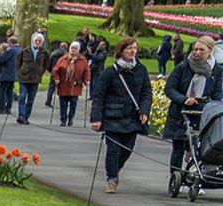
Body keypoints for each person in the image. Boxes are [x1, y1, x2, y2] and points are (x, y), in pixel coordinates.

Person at [90, 37, 153, 193]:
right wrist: (96, 118)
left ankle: (115, 169)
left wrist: (145, 110)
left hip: (132, 117)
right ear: (121, 51)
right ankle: (112, 179)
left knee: (127, 149)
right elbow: (99, 95)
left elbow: (146, 92)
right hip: (113, 116)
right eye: (129, 48)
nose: (133, 51)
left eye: (135, 48)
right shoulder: (110, 72)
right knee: (113, 149)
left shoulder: (141, 70)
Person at [165, 35, 223, 182]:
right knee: (178, 147)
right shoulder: (183, 67)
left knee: (200, 148)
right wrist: (184, 99)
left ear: (210, 50)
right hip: (181, 112)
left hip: (203, 113)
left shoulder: (216, 70)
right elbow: (170, 88)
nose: (197, 53)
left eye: (201, 50)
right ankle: (176, 177)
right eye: (195, 49)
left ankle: (196, 176)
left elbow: (216, 92)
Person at [50, 41, 91, 127]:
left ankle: (71, 118)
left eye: (75, 48)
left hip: (76, 84)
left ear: (79, 50)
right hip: (64, 84)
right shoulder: (63, 59)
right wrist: (56, 78)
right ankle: (63, 120)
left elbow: (86, 71)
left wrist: (87, 80)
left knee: (73, 103)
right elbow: (55, 70)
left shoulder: (82, 60)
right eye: (72, 48)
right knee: (63, 103)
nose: (73, 50)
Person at [15, 32, 52, 124]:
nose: (38, 42)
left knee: (31, 99)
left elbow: (45, 65)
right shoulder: (24, 51)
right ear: (32, 41)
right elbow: (18, 63)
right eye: (36, 40)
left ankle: (26, 117)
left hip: (35, 79)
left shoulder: (45, 53)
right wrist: (20, 72)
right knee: (22, 96)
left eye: (40, 41)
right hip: (24, 77)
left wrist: (40, 73)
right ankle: (21, 115)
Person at [0, 35, 19, 114]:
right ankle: (8, 108)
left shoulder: (11, 50)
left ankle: (1, 108)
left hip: (6, 74)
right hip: (13, 74)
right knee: (10, 91)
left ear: (10, 42)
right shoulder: (19, 50)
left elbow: (1, 60)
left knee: (2, 91)